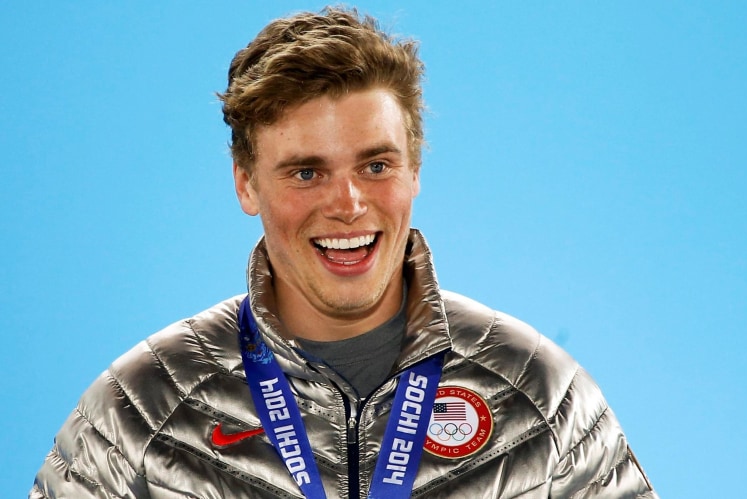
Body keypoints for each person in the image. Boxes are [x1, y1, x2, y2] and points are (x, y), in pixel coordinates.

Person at [31, 6, 657, 498]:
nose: (349, 204)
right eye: (306, 173)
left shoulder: (542, 396)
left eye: (376, 164)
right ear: (245, 182)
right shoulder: (144, 407)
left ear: (415, 170)